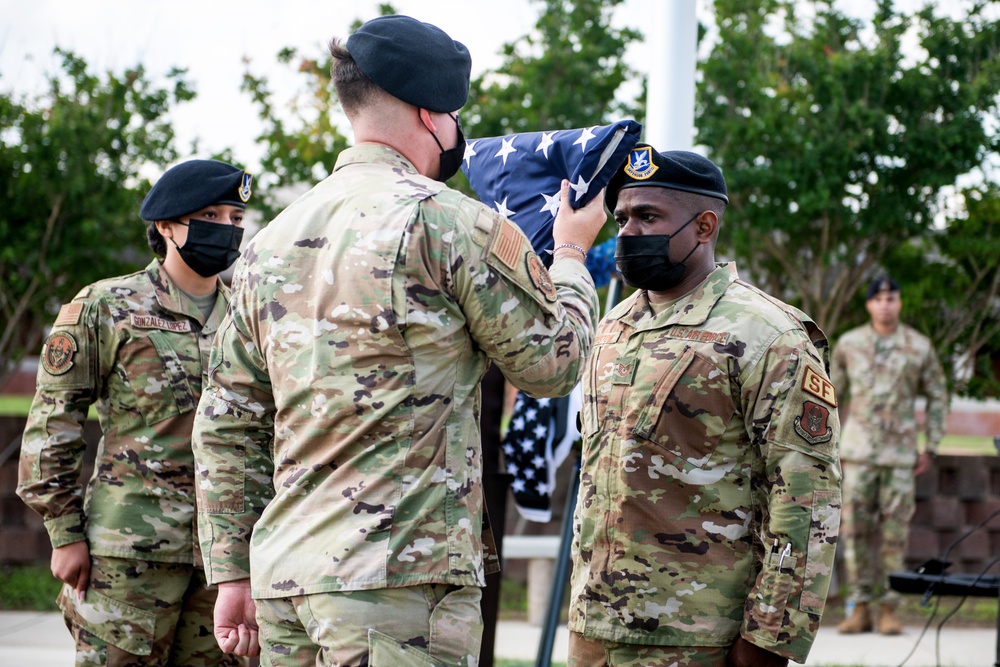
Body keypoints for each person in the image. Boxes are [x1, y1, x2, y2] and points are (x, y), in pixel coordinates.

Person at [190, 14, 607, 667]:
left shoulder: (269, 242)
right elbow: (554, 363)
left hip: (285, 581)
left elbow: (225, 424)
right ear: (431, 113)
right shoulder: (449, 224)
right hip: (398, 584)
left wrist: (233, 571)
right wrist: (574, 254)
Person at [568, 144, 842, 667]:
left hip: (699, 637)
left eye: (648, 216)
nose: (627, 232)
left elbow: (806, 497)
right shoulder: (613, 328)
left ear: (704, 226)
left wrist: (769, 639)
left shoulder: (768, 334)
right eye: (622, 218)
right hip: (595, 629)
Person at [17, 159, 253, 666]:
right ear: (166, 226)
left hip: (225, 562)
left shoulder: (249, 316)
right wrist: (64, 534)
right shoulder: (107, 306)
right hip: (128, 555)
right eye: (211, 216)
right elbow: (53, 422)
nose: (227, 230)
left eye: (236, 218)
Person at [832, 276, 949, 635]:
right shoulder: (849, 344)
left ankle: (890, 608)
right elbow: (830, 394)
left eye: (891, 297)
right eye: (878, 298)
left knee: (895, 535)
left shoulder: (919, 346)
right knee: (856, 533)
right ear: (868, 305)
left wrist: (931, 444)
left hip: (899, 456)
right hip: (859, 453)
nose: (885, 304)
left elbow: (937, 395)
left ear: (900, 303)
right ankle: (860, 607)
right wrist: (828, 444)